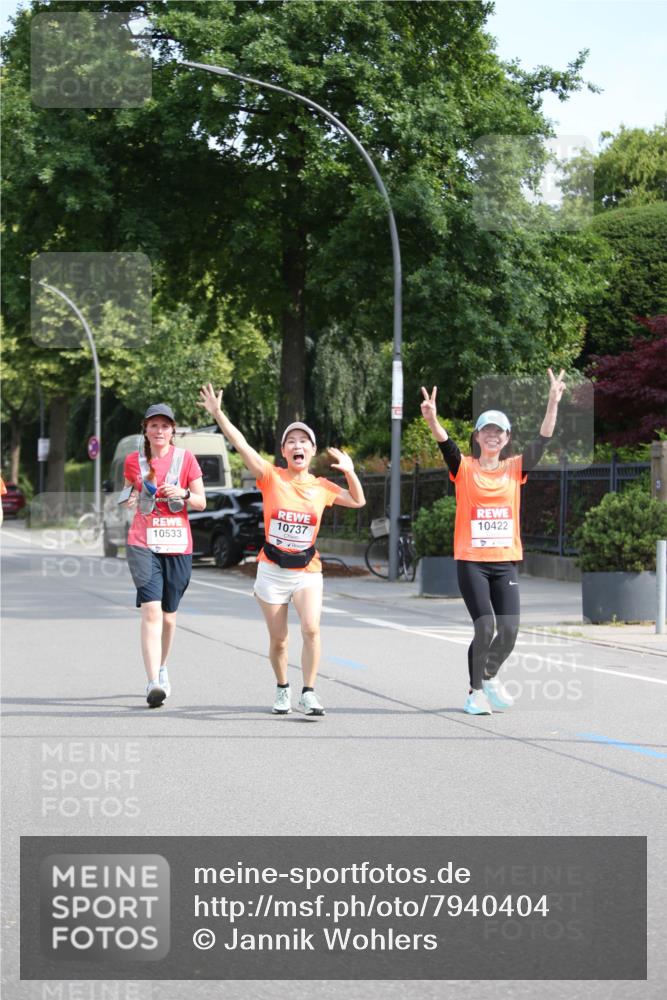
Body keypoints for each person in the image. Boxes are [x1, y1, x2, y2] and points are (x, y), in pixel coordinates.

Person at [198, 383, 366, 717]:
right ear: (284, 451)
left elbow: (358, 500)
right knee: (280, 641)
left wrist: (350, 472)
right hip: (272, 570)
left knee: (312, 629)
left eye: (304, 441)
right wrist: (218, 414)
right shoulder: (271, 477)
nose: (298, 445)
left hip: (307, 570)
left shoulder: (322, 487)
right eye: (292, 441)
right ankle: (282, 688)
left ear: (312, 451)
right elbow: (241, 444)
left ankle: (309, 692)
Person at [420, 369, 567, 715]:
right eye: (487, 430)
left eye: (498, 432)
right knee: (485, 625)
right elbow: (445, 444)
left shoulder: (515, 468)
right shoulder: (464, 468)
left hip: (505, 561)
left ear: (506, 438)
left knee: (510, 630)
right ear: (477, 436)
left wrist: (552, 402)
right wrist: (432, 419)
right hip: (471, 560)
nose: (492, 436)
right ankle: (475, 693)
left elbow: (543, 439)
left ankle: (488, 675)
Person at [120, 403, 206, 707]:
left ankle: (162, 666)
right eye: (154, 425)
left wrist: (181, 493)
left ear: (173, 430)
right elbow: (128, 491)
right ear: (145, 428)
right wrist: (130, 497)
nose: (159, 431)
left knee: (169, 618)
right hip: (143, 543)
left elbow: (201, 502)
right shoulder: (133, 461)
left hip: (178, 544)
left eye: (165, 426)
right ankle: (153, 683)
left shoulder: (186, 459)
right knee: (151, 611)